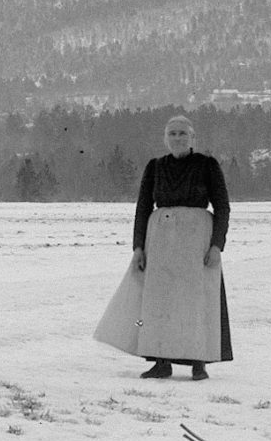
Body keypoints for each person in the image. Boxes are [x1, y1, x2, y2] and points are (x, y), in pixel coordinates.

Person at [95, 113, 231, 380]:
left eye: (182, 133)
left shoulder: (207, 165)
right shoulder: (155, 167)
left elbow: (223, 207)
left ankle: (198, 362)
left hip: (197, 242)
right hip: (160, 242)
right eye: (172, 133)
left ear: (193, 138)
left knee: (195, 301)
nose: (177, 138)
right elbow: (143, 208)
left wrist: (217, 245)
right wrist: (138, 248)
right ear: (165, 139)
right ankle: (161, 361)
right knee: (159, 303)